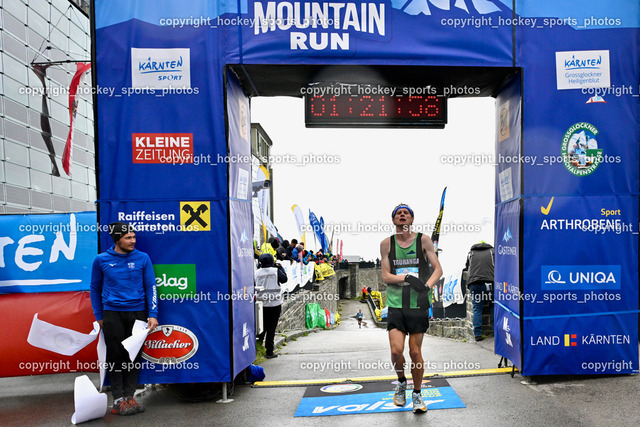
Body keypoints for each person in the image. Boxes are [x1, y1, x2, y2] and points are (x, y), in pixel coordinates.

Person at [90, 222, 158, 416]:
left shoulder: (143, 258)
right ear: (117, 239)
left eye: (134, 237)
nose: (133, 241)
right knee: (116, 357)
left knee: (133, 356)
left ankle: (129, 397)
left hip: (138, 314)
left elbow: (151, 286)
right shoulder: (101, 260)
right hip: (112, 314)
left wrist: (153, 314)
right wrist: (99, 315)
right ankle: (118, 400)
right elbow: (94, 288)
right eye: (128, 237)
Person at [380, 203, 442, 414]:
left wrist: (426, 287)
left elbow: (438, 270)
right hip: (396, 304)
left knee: (415, 352)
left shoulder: (423, 240)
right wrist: (407, 278)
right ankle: (401, 382)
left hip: (417, 304)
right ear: (393, 220)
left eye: (406, 213)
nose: (402, 215)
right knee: (396, 351)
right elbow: (386, 276)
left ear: (412, 219)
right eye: (398, 213)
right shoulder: (386, 244)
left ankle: (416, 393)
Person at [255, 253, 287, 359]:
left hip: (261, 305)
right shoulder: (276, 271)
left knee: (261, 327)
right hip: (275, 304)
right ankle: (269, 352)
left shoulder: (256, 273)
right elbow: (284, 279)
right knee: (271, 329)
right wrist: (280, 267)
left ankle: (257, 348)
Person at [464, 241, 495, 341]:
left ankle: (477, 334)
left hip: (475, 283)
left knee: (477, 308)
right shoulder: (492, 251)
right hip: (490, 282)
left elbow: (467, 267)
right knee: (493, 306)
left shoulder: (471, 253)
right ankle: (495, 331)